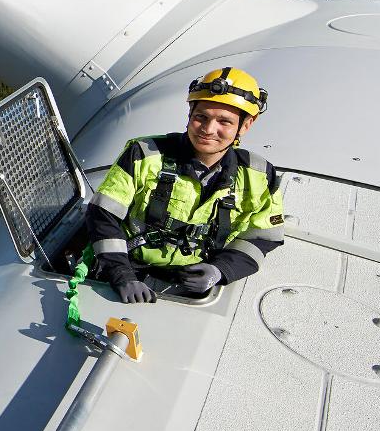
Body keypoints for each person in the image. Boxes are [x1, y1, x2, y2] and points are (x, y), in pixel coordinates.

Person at [85, 67, 284, 303]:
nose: (209, 130)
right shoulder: (144, 155)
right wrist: (121, 274)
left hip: (197, 285)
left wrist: (221, 270)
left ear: (246, 125)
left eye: (224, 122)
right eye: (202, 117)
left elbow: (265, 236)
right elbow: (102, 216)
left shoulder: (259, 175)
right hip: (131, 273)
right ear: (190, 112)